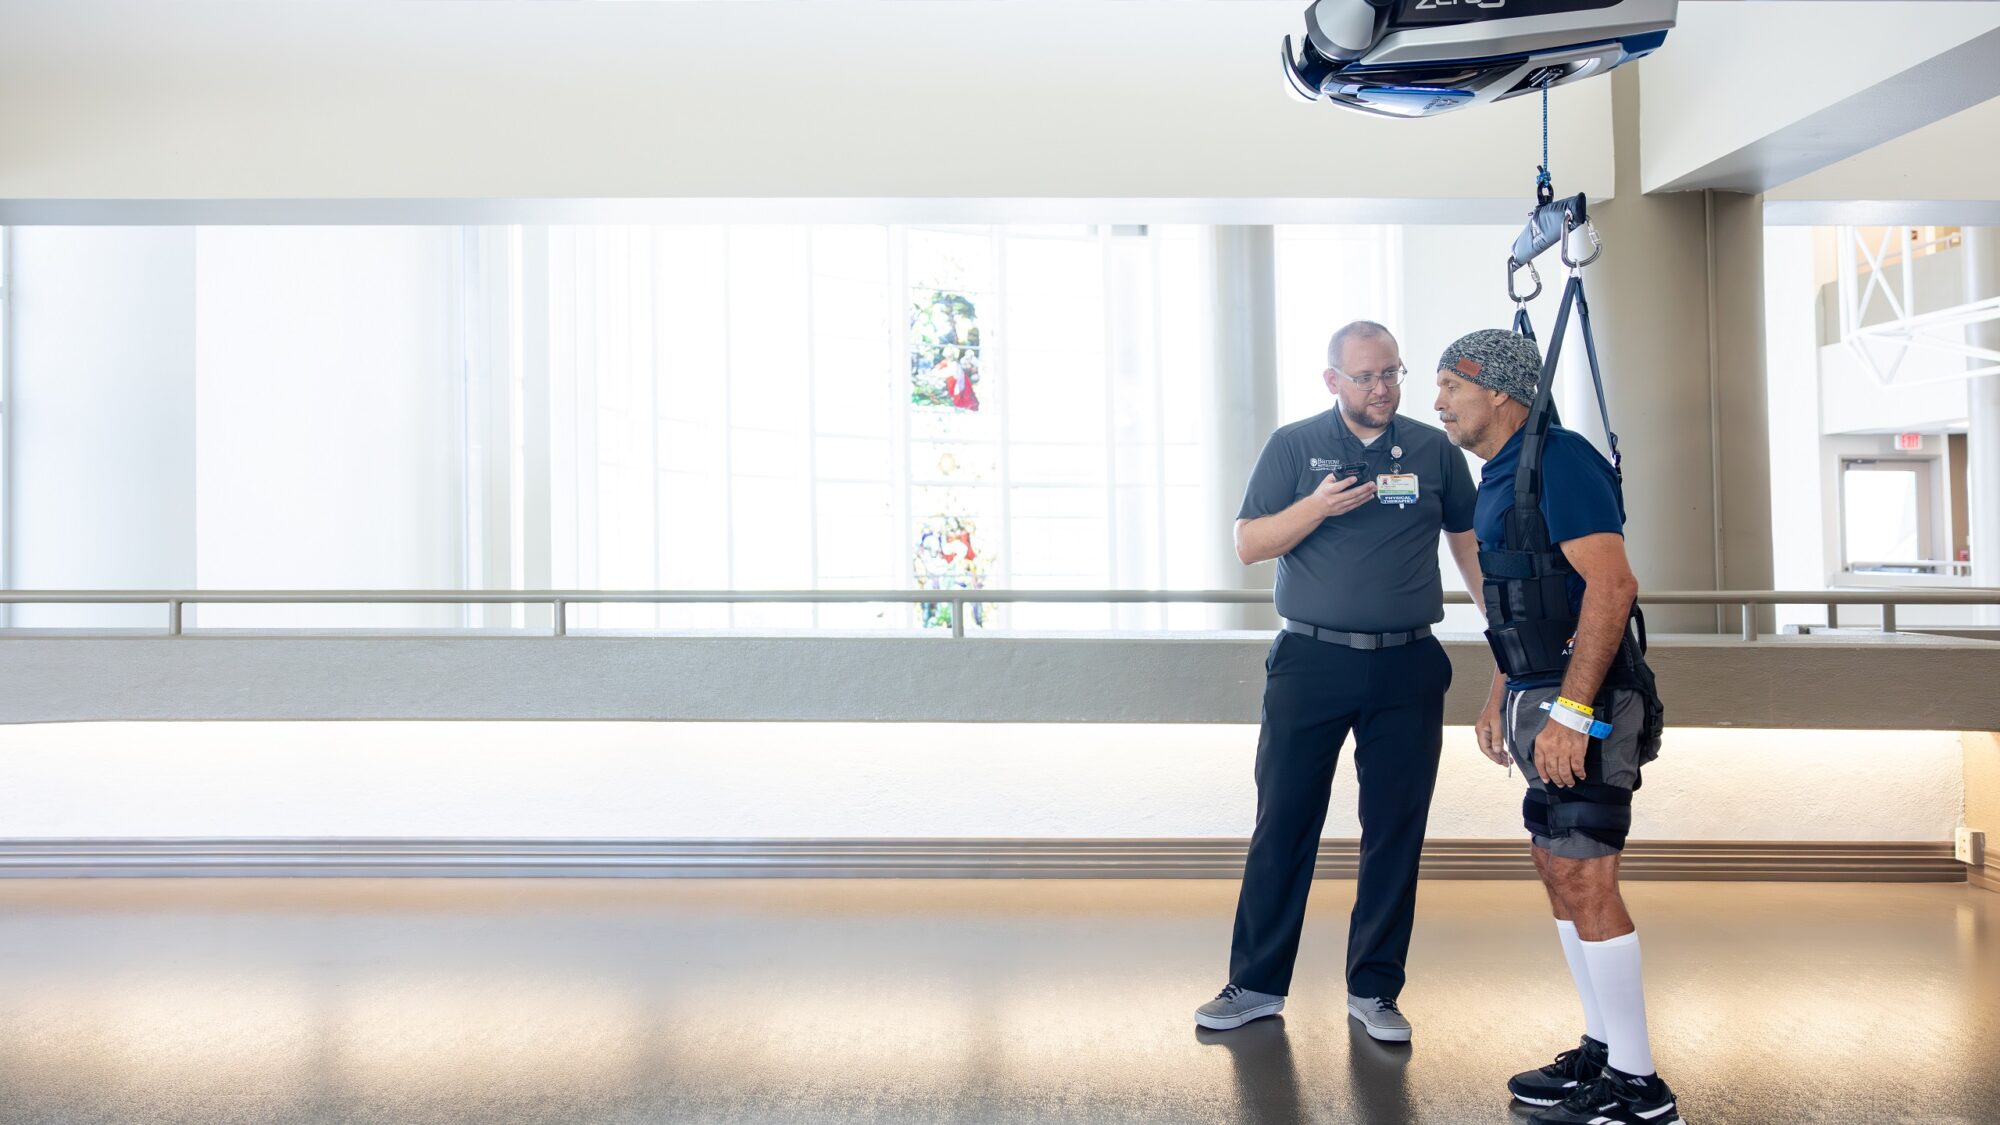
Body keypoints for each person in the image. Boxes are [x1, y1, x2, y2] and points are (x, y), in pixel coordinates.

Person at [1194, 320, 1486, 1043]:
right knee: (1284, 822)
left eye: (1392, 373)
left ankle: (1376, 990)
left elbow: (1471, 547)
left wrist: (1509, 646)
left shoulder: (1432, 450)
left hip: (1406, 663)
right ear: (1333, 381)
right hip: (1310, 661)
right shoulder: (1293, 446)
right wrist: (1316, 505)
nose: (1382, 388)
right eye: (1365, 376)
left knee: (1394, 829)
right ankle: (1256, 984)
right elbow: (1248, 543)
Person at [1432, 328, 1683, 1125]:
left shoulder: (1561, 459)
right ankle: (1604, 1050)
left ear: (1500, 391)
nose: (1437, 404)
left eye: (1450, 386)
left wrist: (1573, 713)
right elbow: (1527, 601)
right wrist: (1499, 693)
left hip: (1589, 703)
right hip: (1537, 696)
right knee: (1556, 867)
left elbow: (1611, 586)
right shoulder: (1500, 477)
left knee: (1586, 875)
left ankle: (1641, 1089)